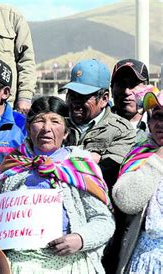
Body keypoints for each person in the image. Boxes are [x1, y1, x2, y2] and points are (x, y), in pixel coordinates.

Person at [0, 96, 115, 274]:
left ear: (65, 132)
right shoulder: (13, 165)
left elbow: (104, 221)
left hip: (68, 265)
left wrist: (80, 239)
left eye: (55, 121)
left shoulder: (79, 167)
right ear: (27, 127)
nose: (46, 128)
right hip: (17, 265)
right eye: (39, 121)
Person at [62, 59, 136, 273]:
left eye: (83, 97)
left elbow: (107, 171)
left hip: (103, 225)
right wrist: (88, 159)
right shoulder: (58, 124)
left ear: (104, 99)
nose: (76, 102)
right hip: (64, 223)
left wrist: (65, 161)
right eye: (72, 95)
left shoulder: (121, 130)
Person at [112, 90, 163, 273]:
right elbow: (125, 201)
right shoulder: (140, 155)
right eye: (157, 116)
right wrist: (158, 159)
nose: (161, 124)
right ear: (148, 122)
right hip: (146, 262)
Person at [110, 59, 157, 143]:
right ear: (111, 90)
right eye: (121, 84)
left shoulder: (158, 123)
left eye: (134, 84)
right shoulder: (99, 124)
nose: (127, 91)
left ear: (147, 89)